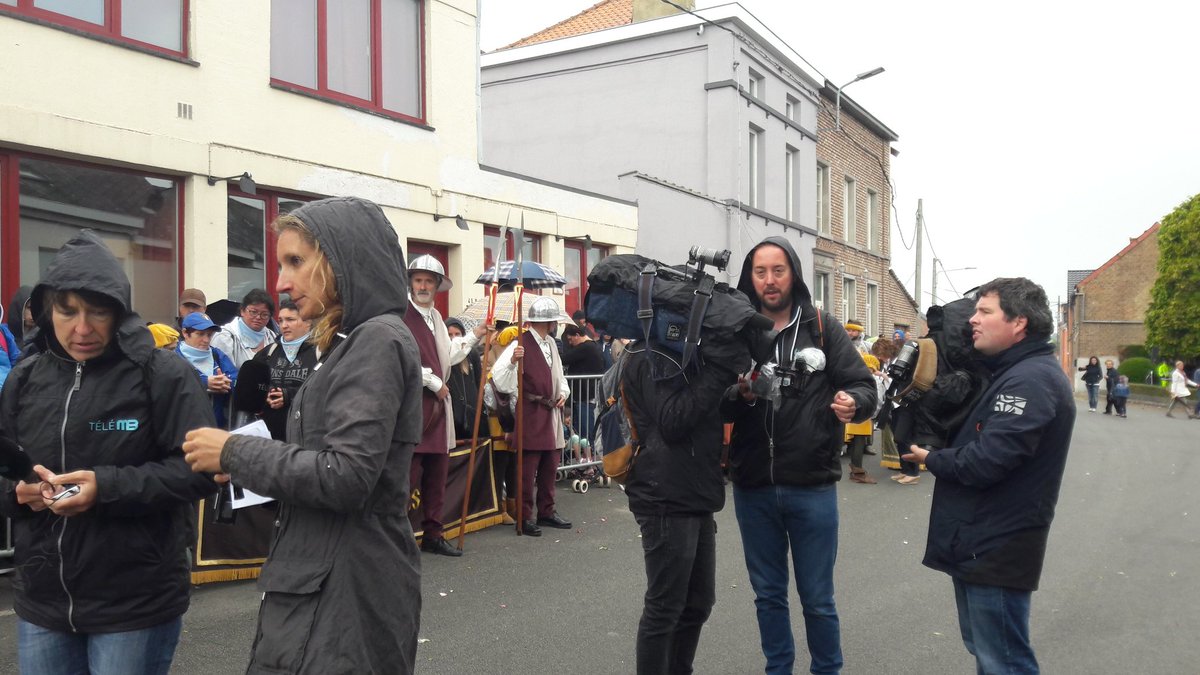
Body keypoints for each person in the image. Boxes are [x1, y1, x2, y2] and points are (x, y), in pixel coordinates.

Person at [182, 196, 424, 675]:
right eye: (279, 264)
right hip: (328, 575)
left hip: (346, 583)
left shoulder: (376, 339)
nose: (281, 284)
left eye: (296, 261)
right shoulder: (355, 340)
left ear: (342, 259)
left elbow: (346, 475)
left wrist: (235, 450)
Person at [0, 230, 217, 675]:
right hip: (43, 599)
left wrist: (108, 487)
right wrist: (17, 494)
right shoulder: (24, 379)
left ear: (119, 311)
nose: (82, 328)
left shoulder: (162, 374)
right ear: (46, 310)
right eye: (67, 311)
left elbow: (201, 472)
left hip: (134, 601)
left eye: (97, 312)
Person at [719, 237, 876, 675]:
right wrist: (742, 392)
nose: (769, 280)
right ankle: (778, 670)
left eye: (778, 270)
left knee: (818, 598)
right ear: (750, 277)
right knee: (768, 596)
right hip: (754, 486)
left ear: (794, 274)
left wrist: (854, 402)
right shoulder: (739, 331)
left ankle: (827, 670)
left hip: (812, 485)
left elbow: (864, 385)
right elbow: (719, 402)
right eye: (760, 271)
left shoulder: (822, 327)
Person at [902, 277, 1074, 675]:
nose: (973, 321)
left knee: (1004, 662)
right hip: (982, 541)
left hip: (998, 543)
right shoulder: (1011, 373)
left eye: (985, 312)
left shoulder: (1030, 380)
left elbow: (988, 461)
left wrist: (933, 458)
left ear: (1019, 323)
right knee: (989, 652)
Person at [621, 344, 739, 674]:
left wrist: (735, 392)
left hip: (695, 491)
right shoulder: (651, 353)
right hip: (665, 495)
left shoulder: (684, 351)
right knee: (666, 607)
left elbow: (701, 408)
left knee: (698, 603)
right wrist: (719, 370)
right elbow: (673, 419)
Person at [405, 254, 488, 557]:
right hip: (412, 409)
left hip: (439, 412)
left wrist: (475, 336)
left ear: (437, 285)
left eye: (429, 281)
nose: (423, 286)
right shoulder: (400, 316)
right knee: (407, 478)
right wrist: (434, 383)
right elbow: (402, 360)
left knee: (437, 476)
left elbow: (447, 355)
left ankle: (433, 534)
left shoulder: (438, 318)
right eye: (418, 280)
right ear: (411, 283)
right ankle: (397, 539)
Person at [492, 296, 574, 537]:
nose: (554, 325)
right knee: (527, 469)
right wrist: (512, 363)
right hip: (530, 412)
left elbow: (560, 376)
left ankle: (547, 511)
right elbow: (499, 379)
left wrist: (562, 392)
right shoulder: (519, 344)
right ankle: (524, 516)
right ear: (546, 321)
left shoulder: (550, 344)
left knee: (550, 463)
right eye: (553, 321)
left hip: (551, 413)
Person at [249, 299, 321, 441]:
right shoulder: (268, 353)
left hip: (307, 436)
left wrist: (289, 396)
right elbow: (251, 389)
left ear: (308, 322)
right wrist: (265, 395)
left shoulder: (322, 352)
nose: (284, 325)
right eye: (280, 320)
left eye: (290, 319)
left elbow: (324, 391)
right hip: (271, 437)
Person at [177, 312, 240, 429]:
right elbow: (173, 382)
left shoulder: (217, 354)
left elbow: (236, 378)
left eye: (209, 335)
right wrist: (205, 382)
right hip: (184, 429)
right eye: (200, 334)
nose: (206, 340)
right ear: (185, 333)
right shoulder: (173, 357)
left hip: (216, 427)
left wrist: (226, 383)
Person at [561, 322, 606, 444]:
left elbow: (564, 358)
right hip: (584, 393)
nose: (570, 343)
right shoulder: (593, 345)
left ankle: (590, 454)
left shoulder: (586, 347)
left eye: (570, 339)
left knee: (586, 428)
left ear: (577, 335)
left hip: (585, 394)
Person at [211, 288, 277, 368]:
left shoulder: (272, 337)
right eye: (253, 312)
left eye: (264, 314)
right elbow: (225, 373)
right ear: (242, 311)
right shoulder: (224, 337)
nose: (258, 317)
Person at [444, 317, 484, 443]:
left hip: (471, 414)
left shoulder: (472, 354)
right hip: (452, 415)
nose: (453, 338)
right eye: (449, 334)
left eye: (457, 334)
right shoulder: (443, 355)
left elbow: (478, 382)